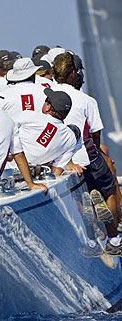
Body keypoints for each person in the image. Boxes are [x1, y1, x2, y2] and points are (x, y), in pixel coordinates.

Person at [53, 52, 121, 255]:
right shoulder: (86, 100)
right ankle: (114, 239)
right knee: (109, 189)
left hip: (60, 160)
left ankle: (91, 241)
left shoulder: (47, 94)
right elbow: (95, 135)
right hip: (85, 156)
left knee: (80, 197)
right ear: (73, 73)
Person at [13, 88, 87, 176]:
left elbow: (6, 128)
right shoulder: (71, 138)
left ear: (48, 107)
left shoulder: (29, 116)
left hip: (9, 168)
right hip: (32, 175)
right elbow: (56, 172)